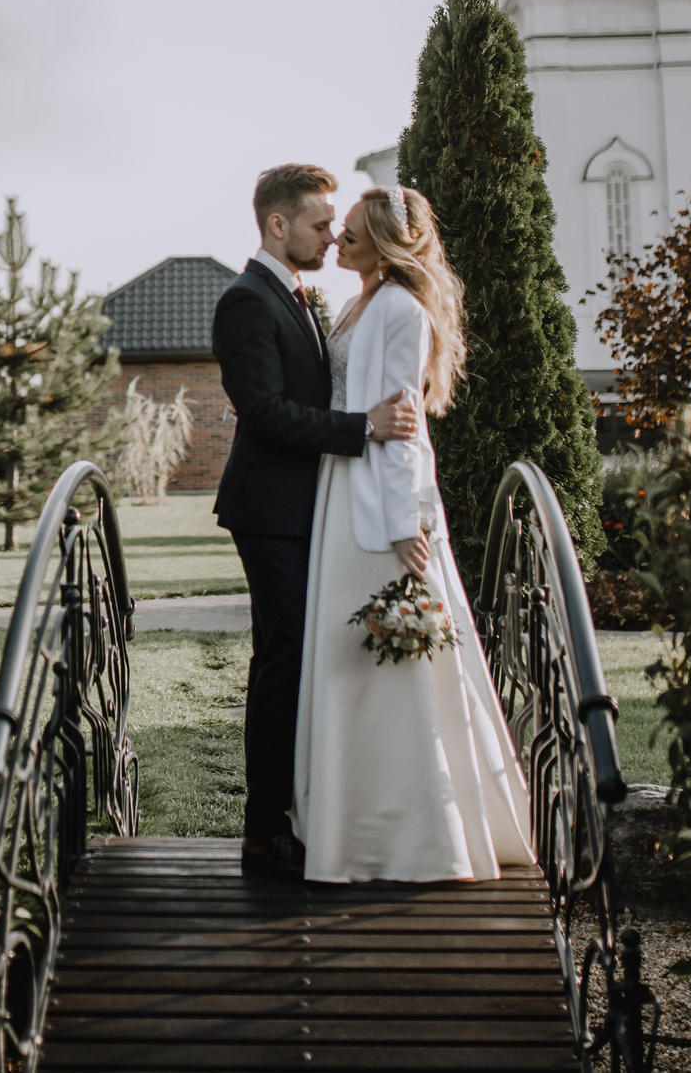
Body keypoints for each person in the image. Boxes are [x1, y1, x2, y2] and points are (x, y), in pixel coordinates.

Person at [291, 184, 533, 882]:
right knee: (348, 659)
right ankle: (345, 821)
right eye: (341, 230)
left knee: (390, 665)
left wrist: (406, 526)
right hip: (341, 489)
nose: (340, 240)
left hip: (377, 502)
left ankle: (413, 834)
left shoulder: (399, 309)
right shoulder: (358, 303)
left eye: (353, 232)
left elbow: (402, 427)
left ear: (388, 244)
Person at [211, 164, 418, 881]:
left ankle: (301, 811)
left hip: (308, 508)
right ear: (278, 224)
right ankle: (265, 829)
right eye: (320, 223)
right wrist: (364, 428)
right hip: (270, 509)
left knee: (296, 659)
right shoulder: (246, 301)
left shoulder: (297, 294)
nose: (333, 235)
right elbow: (265, 413)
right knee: (284, 660)